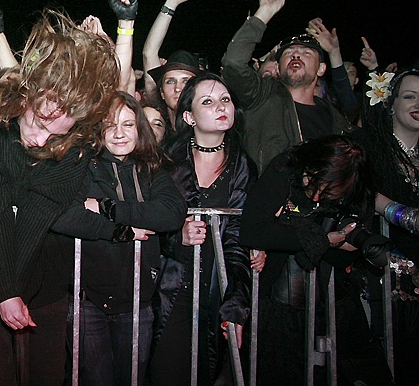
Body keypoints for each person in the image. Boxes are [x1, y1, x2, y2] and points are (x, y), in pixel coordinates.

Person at [0, 0, 120, 384]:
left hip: (46, 279)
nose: (42, 139)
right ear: (29, 95)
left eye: (58, 134)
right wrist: (2, 290)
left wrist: (17, 290)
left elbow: (38, 211)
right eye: (40, 122)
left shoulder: (78, 143)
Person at [52, 91, 187, 386]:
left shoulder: (151, 170)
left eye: (127, 124)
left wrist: (105, 207)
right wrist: (123, 228)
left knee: (132, 379)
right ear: (98, 129)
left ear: (139, 129)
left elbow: (172, 213)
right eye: (110, 125)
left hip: (137, 302)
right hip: (89, 301)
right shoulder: (83, 167)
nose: (119, 133)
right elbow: (64, 215)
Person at [239, 135, 393, 385]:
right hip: (281, 298)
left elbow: (342, 252)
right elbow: (252, 230)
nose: (316, 196)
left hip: (336, 299)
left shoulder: (356, 188)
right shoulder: (285, 167)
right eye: (312, 182)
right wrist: (320, 237)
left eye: (329, 192)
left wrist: (339, 242)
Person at [150, 72, 259, 385]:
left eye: (225, 99)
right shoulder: (166, 162)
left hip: (217, 290)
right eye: (207, 101)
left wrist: (236, 306)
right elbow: (144, 224)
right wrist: (176, 236)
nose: (220, 106)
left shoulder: (243, 166)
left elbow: (238, 241)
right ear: (188, 116)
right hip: (170, 290)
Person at [220, 0, 355, 172]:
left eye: (306, 53)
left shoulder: (336, 119)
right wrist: (264, 13)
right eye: (289, 53)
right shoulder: (260, 96)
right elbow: (234, 63)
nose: (296, 55)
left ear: (321, 69)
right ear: (279, 67)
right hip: (271, 200)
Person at [355, 67, 419, 385]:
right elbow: (358, 190)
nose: (417, 103)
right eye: (409, 96)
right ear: (390, 102)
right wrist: (400, 213)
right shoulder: (368, 145)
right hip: (384, 270)